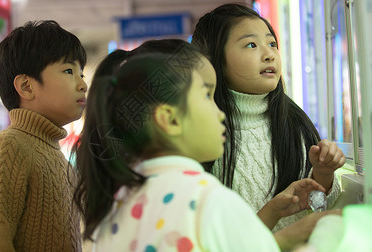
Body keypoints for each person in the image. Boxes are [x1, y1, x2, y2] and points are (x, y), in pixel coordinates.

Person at [73, 44, 327, 251]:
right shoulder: (209, 200)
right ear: (170, 119)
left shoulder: (116, 205)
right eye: (207, 96)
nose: (220, 113)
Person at [191, 2, 346, 231]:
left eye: (272, 44)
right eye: (251, 45)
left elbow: (318, 209)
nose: (269, 54)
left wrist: (323, 175)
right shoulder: (206, 136)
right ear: (215, 61)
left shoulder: (295, 123)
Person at [0, 20, 87, 251]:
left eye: (81, 73)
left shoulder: (54, 154)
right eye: (69, 71)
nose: (83, 84)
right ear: (26, 86)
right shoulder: (9, 147)